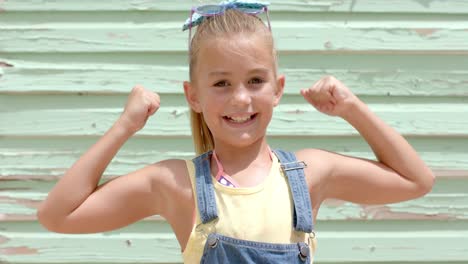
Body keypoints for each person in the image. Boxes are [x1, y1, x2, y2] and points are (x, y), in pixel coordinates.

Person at [37, 1, 435, 263]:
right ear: (193, 96)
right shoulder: (177, 184)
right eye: (222, 84)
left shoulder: (307, 174)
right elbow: (57, 215)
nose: (241, 99)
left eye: (256, 80)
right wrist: (124, 127)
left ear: (278, 89)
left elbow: (416, 180)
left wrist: (352, 108)